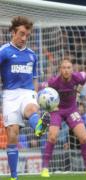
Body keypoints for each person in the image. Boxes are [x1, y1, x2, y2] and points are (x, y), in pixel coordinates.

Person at [0, 16, 49, 180]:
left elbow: (35, 78)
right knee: (12, 134)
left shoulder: (32, 55)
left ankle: (39, 126)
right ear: (13, 32)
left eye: (27, 35)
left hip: (27, 93)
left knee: (31, 109)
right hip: (9, 95)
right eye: (21, 34)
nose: (24, 38)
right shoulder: (4, 51)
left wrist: (35, 95)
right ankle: (14, 176)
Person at [40, 57, 86, 177]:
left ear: (72, 69)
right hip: (57, 110)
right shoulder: (54, 81)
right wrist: (50, 107)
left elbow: (85, 76)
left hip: (71, 110)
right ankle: (45, 169)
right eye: (64, 68)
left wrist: (78, 92)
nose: (66, 70)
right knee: (52, 136)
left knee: (84, 137)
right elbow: (42, 88)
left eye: (68, 68)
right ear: (60, 70)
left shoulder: (77, 77)